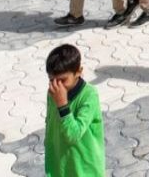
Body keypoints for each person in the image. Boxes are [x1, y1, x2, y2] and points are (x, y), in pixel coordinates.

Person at [44, 44, 105, 177]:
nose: (56, 85)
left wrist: (62, 105)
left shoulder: (89, 95)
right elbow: (50, 123)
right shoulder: (52, 93)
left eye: (62, 80)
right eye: (51, 80)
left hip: (85, 169)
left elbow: (73, 135)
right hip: (60, 165)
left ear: (78, 71)